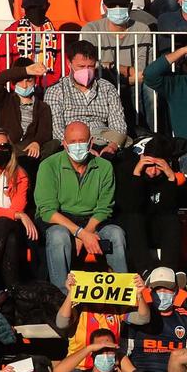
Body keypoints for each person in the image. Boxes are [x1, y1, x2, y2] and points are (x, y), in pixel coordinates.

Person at [33, 121, 125, 287]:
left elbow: (105, 208)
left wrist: (85, 234)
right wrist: (80, 234)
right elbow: (47, 211)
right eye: (73, 142)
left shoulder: (105, 167)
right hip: (60, 219)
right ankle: (61, 297)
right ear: (64, 144)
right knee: (58, 236)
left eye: (81, 141)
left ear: (90, 142)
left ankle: (122, 295)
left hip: (93, 220)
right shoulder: (48, 165)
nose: (77, 146)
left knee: (116, 234)